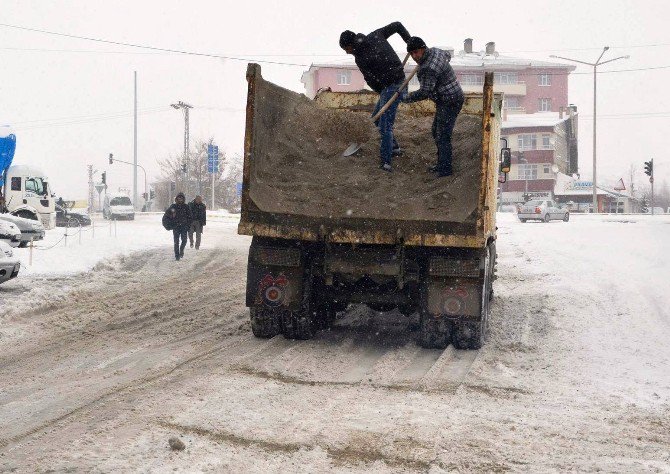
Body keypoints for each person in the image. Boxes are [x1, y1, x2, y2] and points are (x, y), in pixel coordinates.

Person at [339, 22, 412, 172]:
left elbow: (370, 79)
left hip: (395, 85)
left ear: (350, 45)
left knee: (385, 125)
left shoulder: (360, 57)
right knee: (377, 118)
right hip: (394, 83)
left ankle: (386, 163)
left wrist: (410, 43)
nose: (347, 53)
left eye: (346, 49)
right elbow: (398, 25)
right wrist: (408, 40)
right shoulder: (376, 35)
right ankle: (395, 147)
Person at [402, 37, 464, 177]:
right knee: (436, 131)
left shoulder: (427, 69)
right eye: (411, 54)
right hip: (452, 97)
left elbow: (425, 92)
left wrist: (406, 98)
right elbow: (447, 55)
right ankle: (442, 163)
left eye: (416, 52)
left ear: (423, 49)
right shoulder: (436, 51)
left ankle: (445, 170)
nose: (414, 56)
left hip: (449, 101)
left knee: (442, 135)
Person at [165, 192, 192, 261]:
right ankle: (177, 256)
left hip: (184, 227)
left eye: (181, 198)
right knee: (176, 242)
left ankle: (181, 250)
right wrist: (168, 224)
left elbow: (190, 217)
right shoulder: (173, 207)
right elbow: (167, 215)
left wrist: (188, 226)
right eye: (179, 198)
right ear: (176, 199)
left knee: (184, 240)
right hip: (176, 227)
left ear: (183, 199)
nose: (180, 199)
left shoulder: (186, 207)